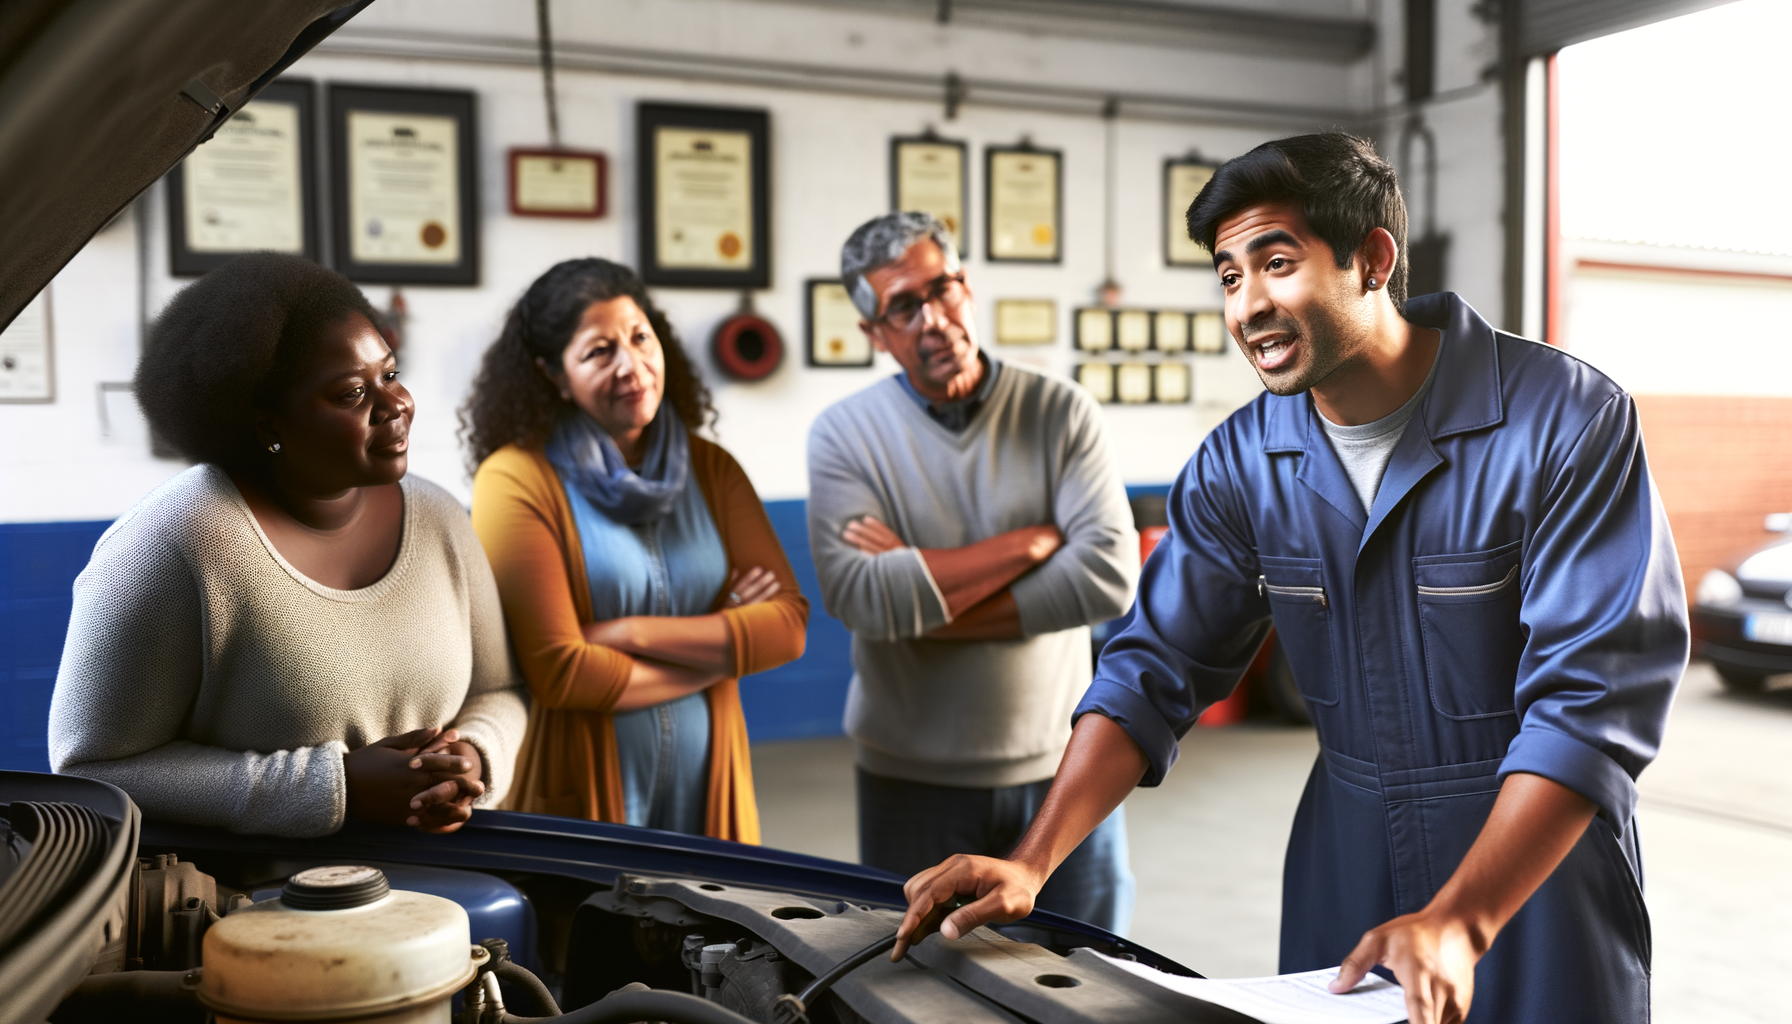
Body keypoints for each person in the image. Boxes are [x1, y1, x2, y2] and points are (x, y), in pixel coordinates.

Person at [891, 134, 1688, 1024]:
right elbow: (1152, 670)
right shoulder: (1241, 464)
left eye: (1277, 262)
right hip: (1343, 858)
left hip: (1537, 870)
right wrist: (1031, 860)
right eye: (1230, 276)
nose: (1249, 305)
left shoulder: (1564, 423)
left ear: (1373, 260)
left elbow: (1591, 706)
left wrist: (1462, 921)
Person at [50, 253, 527, 837]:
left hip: (441, 890)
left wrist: (470, 760)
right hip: (253, 903)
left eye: (391, 374)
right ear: (268, 426)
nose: (395, 403)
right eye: (352, 393)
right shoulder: (174, 542)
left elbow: (498, 690)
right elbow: (92, 768)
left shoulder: (440, 517)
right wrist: (338, 787)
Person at [807, 213, 1141, 932]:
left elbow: (1110, 576)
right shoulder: (843, 435)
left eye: (944, 287)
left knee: (1094, 979)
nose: (934, 318)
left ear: (967, 285)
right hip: (911, 779)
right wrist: (1026, 547)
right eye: (904, 305)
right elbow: (861, 600)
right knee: (922, 990)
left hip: (1065, 767)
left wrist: (922, 603)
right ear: (874, 332)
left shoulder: (1061, 412)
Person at [464, 258, 807, 841]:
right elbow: (562, 672)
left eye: (640, 337)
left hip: (710, 788)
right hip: (584, 801)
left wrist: (630, 634)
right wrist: (723, 646)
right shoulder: (516, 478)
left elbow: (789, 628)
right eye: (600, 352)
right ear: (554, 374)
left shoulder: (711, 468)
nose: (633, 366)